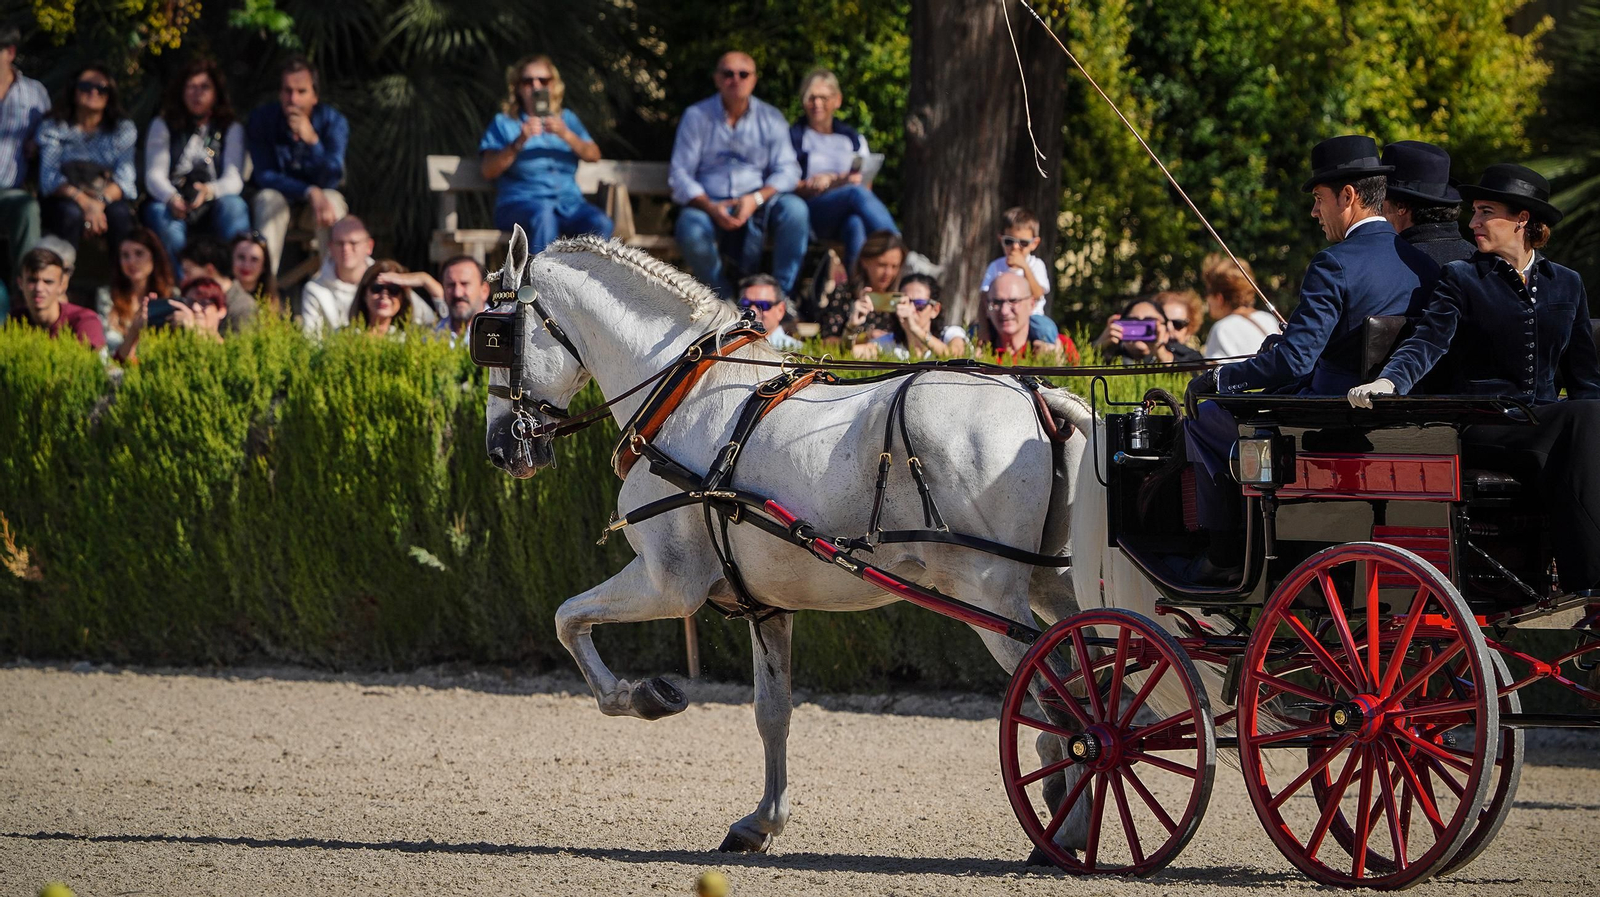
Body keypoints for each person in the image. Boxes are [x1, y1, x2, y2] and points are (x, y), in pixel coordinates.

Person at [1183, 134, 1439, 583]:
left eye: (1319, 200)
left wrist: (1222, 379)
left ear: (1348, 196)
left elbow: (1295, 361)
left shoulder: (1334, 263)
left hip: (1325, 423)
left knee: (1202, 419)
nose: (1315, 213)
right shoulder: (1423, 266)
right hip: (1401, 425)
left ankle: (1224, 554)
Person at [1349, 164, 1600, 594]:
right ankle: (1590, 586)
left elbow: (1585, 379)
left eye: (1486, 212)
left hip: (1546, 424)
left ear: (1522, 219)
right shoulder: (1462, 278)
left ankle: (1582, 585)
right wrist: (1389, 382)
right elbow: (1427, 341)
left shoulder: (1567, 284)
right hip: (1484, 424)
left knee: (1590, 415)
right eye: (1475, 212)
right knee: (1583, 419)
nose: (1473, 223)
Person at [670, 51, 809, 298]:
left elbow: (788, 169)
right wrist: (711, 207)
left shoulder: (771, 118)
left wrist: (755, 199)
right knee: (690, 229)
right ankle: (725, 303)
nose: (736, 79)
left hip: (759, 202)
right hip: (708, 204)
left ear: (754, 80)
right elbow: (680, 174)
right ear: (717, 79)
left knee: (796, 211)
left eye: (743, 74)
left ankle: (779, 300)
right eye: (728, 74)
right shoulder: (696, 116)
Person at [479, 55, 612, 256]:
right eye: (527, 81)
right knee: (544, 217)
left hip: (569, 204)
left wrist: (566, 134)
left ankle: (586, 285)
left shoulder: (567, 119)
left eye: (543, 80)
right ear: (517, 87)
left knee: (600, 223)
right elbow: (488, 170)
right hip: (521, 204)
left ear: (553, 86)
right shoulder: (504, 122)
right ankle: (539, 285)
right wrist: (518, 142)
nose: (536, 86)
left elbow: (594, 155)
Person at [141, 58, 250, 270]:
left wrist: (208, 191)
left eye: (204, 87)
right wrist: (172, 198)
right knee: (159, 214)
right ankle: (185, 285)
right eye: (191, 87)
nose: (197, 93)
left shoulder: (230, 127)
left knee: (234, 207)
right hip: (174, 198)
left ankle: (235, 283)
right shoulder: (163, 124)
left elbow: (234, 178)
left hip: (212, 199)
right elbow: (154, 175)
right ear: (181, 91)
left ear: (216, 93)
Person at [788, 68, 897, 274]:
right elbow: (785, 184)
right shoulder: (794, 137)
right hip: (810, 212)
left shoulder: (852, 139)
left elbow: (866, 187)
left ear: (837, 100)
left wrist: (836, 181)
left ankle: (857, 291)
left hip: (846, 212)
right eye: (811, 97)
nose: (817, 104)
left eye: (823, 97)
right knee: (853, 193)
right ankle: (899, 249)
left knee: (855, 224)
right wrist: (821, 184)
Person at [247, 57, 349, 275]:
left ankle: (334, 288)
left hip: (316, 210)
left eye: (301, 91)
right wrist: (308, 190)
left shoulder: (333, 122)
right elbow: (265, 175)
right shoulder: (262, 119)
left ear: (315, 95)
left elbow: (333, 176)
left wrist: (312, 140)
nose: (293, 99)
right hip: (278, 204)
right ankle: (266, 289)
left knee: (333, 202)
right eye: (287, 91)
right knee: (269, 199)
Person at [37, 63, 138, 254]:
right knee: (70, 213)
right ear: (73, 90)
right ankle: (61, 277)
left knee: (120, 215)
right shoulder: (54, 126)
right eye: (85, 87)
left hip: (105, 198)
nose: (93, 92)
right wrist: (85, 202)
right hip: (63, 199)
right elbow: (49, 178)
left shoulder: (123, 129)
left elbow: (125, 179)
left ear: (110, 95)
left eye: (101, 89)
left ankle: (124, 280)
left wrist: (98, 204)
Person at [299, 215, 436, 335]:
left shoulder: (386, 279)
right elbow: (311, 339)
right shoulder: (315, 289)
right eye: (340, 243)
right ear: (330, 247)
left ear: (369, 246)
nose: (346, 249)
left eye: (353, 243)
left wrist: (425, 280)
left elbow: (431, 321)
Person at [0, 25, 51, 319]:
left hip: (9, 193)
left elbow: (49, 137)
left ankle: (29, 293)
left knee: (27, 208)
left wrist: (37, 145)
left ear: (10, 53)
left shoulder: (34, 93)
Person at [1381, 140, 1474, 266]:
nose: (1379, 210)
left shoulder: (1393, 263)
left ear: (1401, 207)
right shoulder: (1479, 260)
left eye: (1381, 201)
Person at [819, 229, 904, 356]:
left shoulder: (902, 296)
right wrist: (864, 337)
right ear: (865, 261)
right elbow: (825, 343)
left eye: (894, 266)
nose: (888, 273)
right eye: (881, 265)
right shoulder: (846, 294)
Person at [94, 228, 176, 356]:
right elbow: (107, 349)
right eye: (125, 255)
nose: (131, 262)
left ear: (154, 257)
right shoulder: (107, 296)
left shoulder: (172, 295)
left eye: (139, 253)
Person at [15, 246, 103, 349]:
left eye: (48, 282)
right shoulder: (15, 320)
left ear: (62, 285)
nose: (39, 288)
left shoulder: (84, 321)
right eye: (32, 281)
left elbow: (97, 363)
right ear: (20, 283)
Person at [974, 272, 1075, 362]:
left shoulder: (1061, 347)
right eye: (997, 302)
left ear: (1031, 304)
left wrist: (1056, 370)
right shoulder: (974, 348)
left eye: (1014, 301)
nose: (1004, 311)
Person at [1200, 253, 1279, 358]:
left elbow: (1214, 373)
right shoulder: (1268, 319)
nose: (1206, 299)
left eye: (1208, 292)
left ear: (1219, 298)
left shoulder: (1222, 329)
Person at [177, 235, 257, 334]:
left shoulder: (243, 307)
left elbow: (241, 347)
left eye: (187, 272)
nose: (184, 278)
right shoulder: (190, 295)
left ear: (209, 270)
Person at [980, 207, 1051, 317]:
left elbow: (1038, 295)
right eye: (1009, 241)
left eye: (1023, 243)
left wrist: (1024, 267)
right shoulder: (995, 266)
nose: (1015, 247)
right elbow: (985, 296)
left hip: (1032, 317)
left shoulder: (1036, 265)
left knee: (1045, 329)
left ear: (1034, 244)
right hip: (1001, 317)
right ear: (1001, 240)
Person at [1094, 295, 1202, 365]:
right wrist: (1098, 347)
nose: (1141, 328)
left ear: (1165, 329)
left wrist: (1162, 356)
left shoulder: (1186, 356)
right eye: (1133, 321)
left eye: (1149, 322)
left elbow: (1197, 378)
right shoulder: (1109, 357)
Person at [889, 273, 965, 357]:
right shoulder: (888, 342)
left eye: (919, 304)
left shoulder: (950, 334)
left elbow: (956, 356)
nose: (911, 309)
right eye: (905, 302)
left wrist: (915, 329)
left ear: (935, 310)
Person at [349, 260, 416, 337]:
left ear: (402, 298)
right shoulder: (344, 335)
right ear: (364, 294)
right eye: (377, 288)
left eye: (393, 289)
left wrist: (425, 279)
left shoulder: (409, 339)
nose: (384, 295)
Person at [735, 273, 801, 351]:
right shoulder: (729, 349)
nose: (752, 310)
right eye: (746, 304)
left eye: (762, 305)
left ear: (780, 310)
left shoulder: (797, 351)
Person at [434, 255, 490, 342]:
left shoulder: (501, 333)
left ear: (484, 290)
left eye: (464, 284)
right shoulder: (433, 337)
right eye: (451, 285)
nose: (457, 293)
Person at [230, 231, 280, 314]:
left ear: (264, 266)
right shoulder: (219, 298)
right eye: (241, 257)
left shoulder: (278, 301)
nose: (246, 265)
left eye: (254, 259)